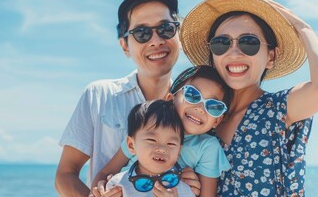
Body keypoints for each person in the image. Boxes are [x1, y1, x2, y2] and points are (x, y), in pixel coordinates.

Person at [180, 0, 318, 196]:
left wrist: (303, 27)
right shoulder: (200, 119)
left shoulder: (278, 108)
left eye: (249, 43)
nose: (234, 52)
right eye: (221, 43)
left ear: (271, 56)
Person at [55, 0, 202, 197]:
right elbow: (66, 174)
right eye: (142, 33)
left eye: (166, 29)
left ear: (178, 36)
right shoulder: (99, 95)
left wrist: (192, 183)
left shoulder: (195, 105)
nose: (156, 41)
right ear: (125, 46)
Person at [92, 65, 232, 197]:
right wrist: (99, 191)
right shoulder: (145, 127)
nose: (200, 107)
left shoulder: (207, 147)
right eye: (193, 95)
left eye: (214, 106)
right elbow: (106, 172)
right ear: (171, 99)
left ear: (217, 121)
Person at [105, 99, 195, 196]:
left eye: (171, 144)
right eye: (151, 140)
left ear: (178, 152)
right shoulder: (117, 185)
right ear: (131, 145)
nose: (162, 149)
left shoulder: (184, 190)